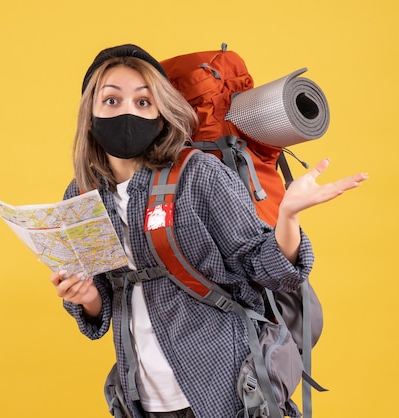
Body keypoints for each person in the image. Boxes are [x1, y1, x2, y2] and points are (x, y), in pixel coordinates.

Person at [49, 44, 367, 418]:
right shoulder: (81, 196)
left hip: (227, 383)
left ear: (161, 114)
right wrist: (86, 297)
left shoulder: (198, 174)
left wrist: (288, 217)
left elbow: (261, 265)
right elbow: (101, 304)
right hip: (142, 394)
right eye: (112, 101)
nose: (128, 113)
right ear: (90, 115)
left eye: (144, 102)